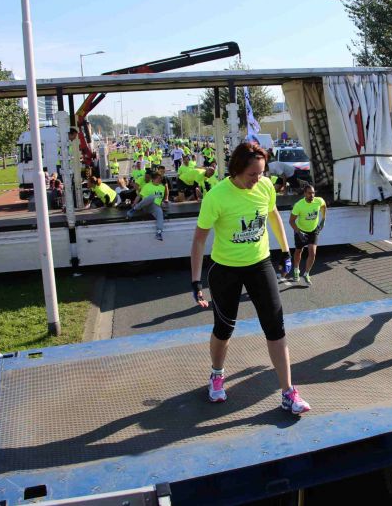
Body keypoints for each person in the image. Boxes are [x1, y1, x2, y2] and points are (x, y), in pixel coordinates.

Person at [190, 142, 310, 415]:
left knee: (276, 327)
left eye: (261, 173)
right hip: (226, 269)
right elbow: (198, 240)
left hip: (259, 264)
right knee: (224, 328)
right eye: (252, 174)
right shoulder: (216, 196)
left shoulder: (265, 186)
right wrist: (195, 281)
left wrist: (285, 251)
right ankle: (217, 374)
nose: (258, 179)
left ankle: (288, 392)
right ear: (236, 169)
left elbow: (273, 215)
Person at [288, 185, 327, 285]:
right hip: (300, 230)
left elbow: (324, 206)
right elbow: (291, 221)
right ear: (305, 194)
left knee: (312, 253)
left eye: (313, 193)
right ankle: (296, 270)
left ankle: (306, 274)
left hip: (313, 231)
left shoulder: (319, 201)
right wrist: (298, 232)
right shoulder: (299, 205)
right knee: (298, 251)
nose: (312, 195)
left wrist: (323, 219)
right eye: (309, 193)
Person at [127, 172, 167, 241]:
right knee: (152, 197)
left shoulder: (162, 187)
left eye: (160, 178)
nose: (160, 180)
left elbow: (160, 199)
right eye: (158, 178)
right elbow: (139, 196)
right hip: (146, 206)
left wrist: (162, 205)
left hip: (155, 207)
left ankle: (159, 233)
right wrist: (134, 203)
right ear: (153, 179)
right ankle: (134, 209)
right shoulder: (147, 186)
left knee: (160, 213)